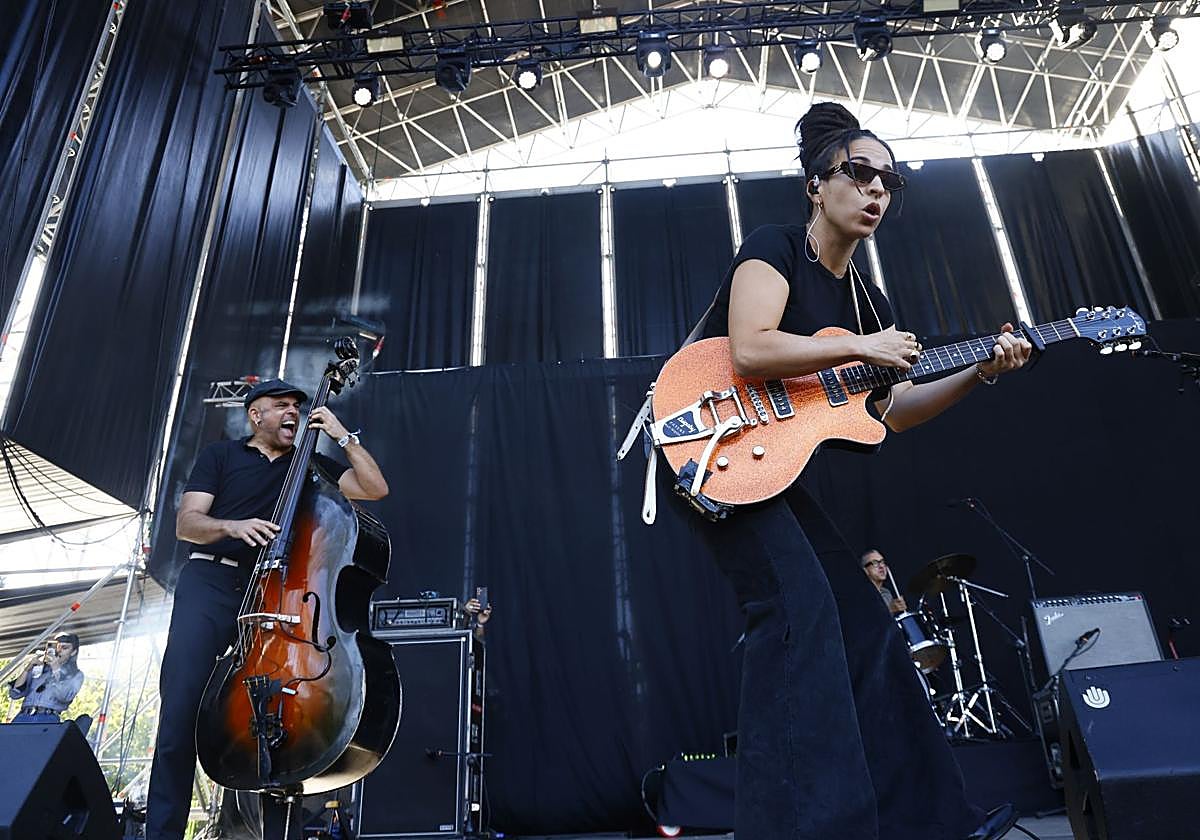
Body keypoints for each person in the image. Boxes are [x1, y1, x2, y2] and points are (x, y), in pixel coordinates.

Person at [682, 102, 1028, 840]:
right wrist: (860, 350)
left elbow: (894, 410)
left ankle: (932, 822)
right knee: (796, 615)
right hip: (702, 446)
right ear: (817, 185)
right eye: (859, 173)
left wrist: (980, 372)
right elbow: (750, 348)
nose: (875, 190)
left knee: (867, 625)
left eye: (888, 183)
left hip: (769, 466)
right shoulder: (774, 248)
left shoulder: (868, 301)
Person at [145, 379, 389, 840]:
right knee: (179, 713)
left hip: (273, 594)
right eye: (282, 406)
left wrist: (341, 434)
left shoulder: (308, 462)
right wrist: (235, 527)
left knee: (272, 719)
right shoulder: (221, 456)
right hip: (210, 585)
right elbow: (187, 524)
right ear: (256, 415)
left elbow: (375, 488)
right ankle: (161, 833)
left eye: (298, 406)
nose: (293, 412)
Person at [7, 632, 84, 723]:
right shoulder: (40, 668)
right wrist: (27, 670)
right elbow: (15, 694)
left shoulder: (76, 675)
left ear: (73, 652)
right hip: (23, 716)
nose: (59, 651)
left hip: (47, 718)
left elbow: (64, 697)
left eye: (64, 648)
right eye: (57, 647)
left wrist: (56, 670)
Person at [862, 548, 907, 615]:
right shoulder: (862, 596)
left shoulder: (886, 593)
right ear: (865, 570)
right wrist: (890, 609)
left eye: (882, 562)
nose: (881, 566)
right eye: (875, 563)